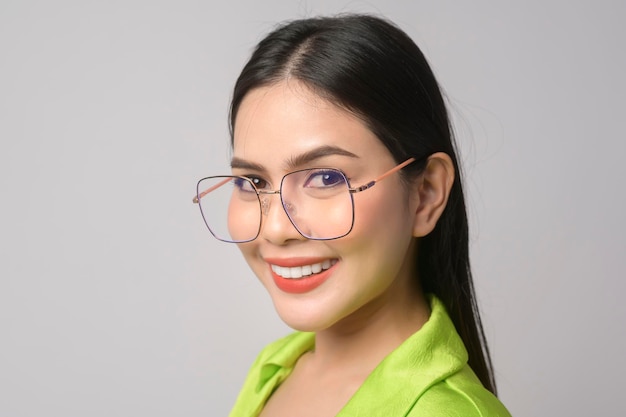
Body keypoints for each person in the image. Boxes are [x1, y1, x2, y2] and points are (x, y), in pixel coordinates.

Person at [194, 13, 511, 417]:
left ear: (427, 194)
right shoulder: (275, 368)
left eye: (325, 177)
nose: (275, 228)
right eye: (252, 182)